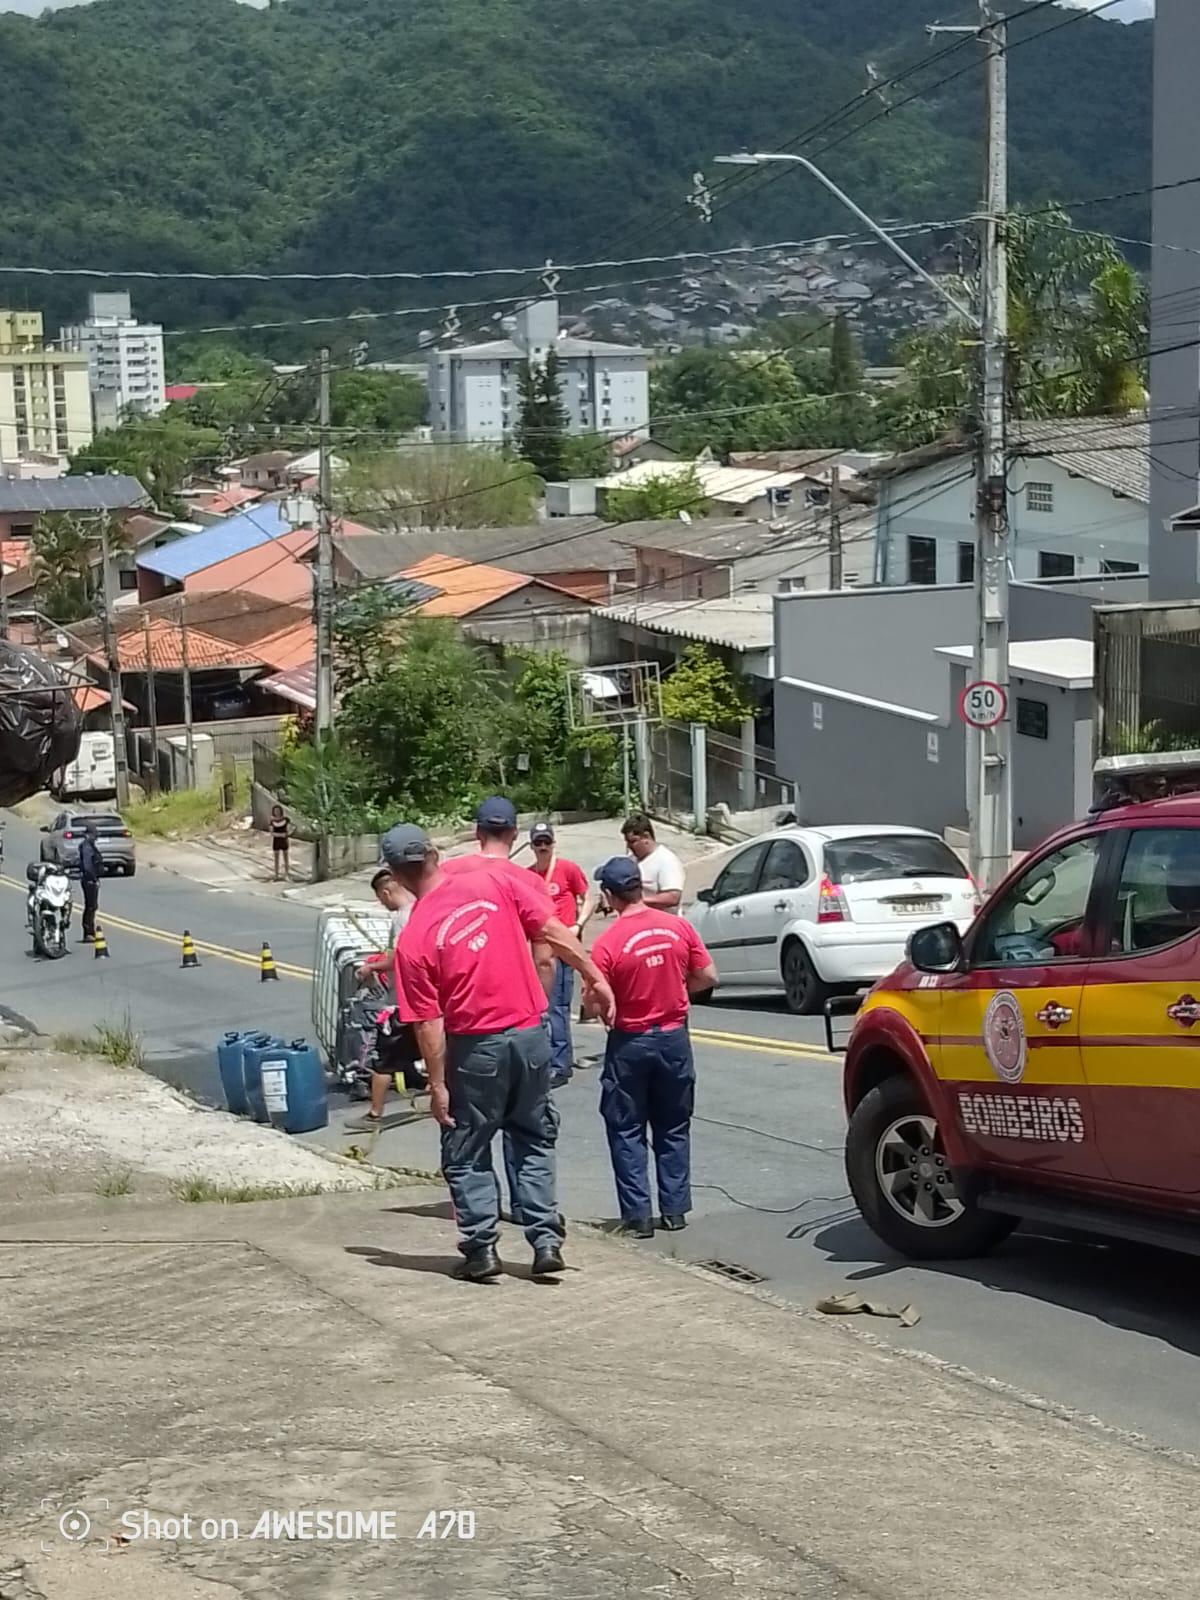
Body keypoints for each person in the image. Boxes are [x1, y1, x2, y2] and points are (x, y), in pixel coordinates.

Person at [385, 822, 616, 1284]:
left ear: (394, 874)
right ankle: (545, 1240)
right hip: (531, 1036)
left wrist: (437, 1085)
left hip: (476, 1047)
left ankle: (481, 1250)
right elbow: (550, 930)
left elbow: (428, 1022)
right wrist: (593, 974)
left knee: (466, 1148)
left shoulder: (413, 939)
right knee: (533, 1137)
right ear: (434, 854)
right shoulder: (494, 880)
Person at [589, 856, 718, 1239]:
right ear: (641, 889)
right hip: (674, 1036)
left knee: (626, 1127)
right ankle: (675, 1210)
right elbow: (708, 976)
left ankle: (638, 1217)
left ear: (610, 896)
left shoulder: (607, 943)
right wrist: (677, 991)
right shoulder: (678, 927)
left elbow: (595, 1002)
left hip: (631, 1040)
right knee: (673, 1124)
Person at [347, 866, 418, 1132]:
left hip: (403, 1003)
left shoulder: (403, 917)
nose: (382, 903)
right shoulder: (420, 909)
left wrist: (371, 968)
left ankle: (375, 1114)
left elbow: (400, 957)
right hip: (421, 1001)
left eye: (380, 898)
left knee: (383, 1060)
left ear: (387, 892)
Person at [528, 820, 595, 1088]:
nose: (543, 847)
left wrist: (578, 924)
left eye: (547, 842)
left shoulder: (567, 869)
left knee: (557, 1005)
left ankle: (560, 1063)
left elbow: (588, 896)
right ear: (532, 846)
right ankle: (546, 1058)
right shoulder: (529, 875)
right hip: (539, 947)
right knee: (540, 1007)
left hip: (563, 945)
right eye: (538, 843)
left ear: (553, 843)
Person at [622, 813, 687, 912]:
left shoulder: (667, 861)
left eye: (633, 841)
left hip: (662, 923)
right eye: (627, 842)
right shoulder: (631, 859)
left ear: (646, 837)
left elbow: (673, 897)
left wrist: (638, 902)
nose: (629, 846)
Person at [77, 822, 103, 943]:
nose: (96, 837)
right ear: (88, 835)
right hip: (89, 880)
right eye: (94, 834)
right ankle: (88, 932)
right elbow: (88, 865)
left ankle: (90, 931)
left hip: (91, 879)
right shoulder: (87, 847)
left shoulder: (90, 845)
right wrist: (92, 878)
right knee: (90, 906)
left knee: (93, 906)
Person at [270, 804, 291, 881]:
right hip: (276, 841)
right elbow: (271, 832)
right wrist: (281, 835)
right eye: (275, 811)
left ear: (281, 811)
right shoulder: (272, 821)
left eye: (278, 811)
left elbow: (289, 830)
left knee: (286, 858)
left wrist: (286, 834)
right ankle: (276, 875)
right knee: (276, 859)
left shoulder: (286, 819)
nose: (277, 812)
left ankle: (287, 874)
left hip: (284, 841)